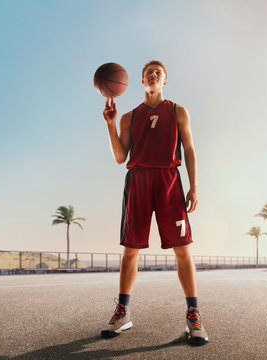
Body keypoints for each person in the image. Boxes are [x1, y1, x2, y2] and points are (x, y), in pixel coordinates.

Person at [100, 60, 208, 346]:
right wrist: (110, 125)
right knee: (130, 249)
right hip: (138, 181)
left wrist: (194, 186)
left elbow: (190, 149)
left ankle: (193, 315)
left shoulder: (178, 111)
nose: (153, 75)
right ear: (141, 81)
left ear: (165, 81)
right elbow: (120, 156)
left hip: (168, 180)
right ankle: (123, 312)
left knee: (182, 249)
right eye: (148, 73)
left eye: (158, 73)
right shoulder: (129, 117)